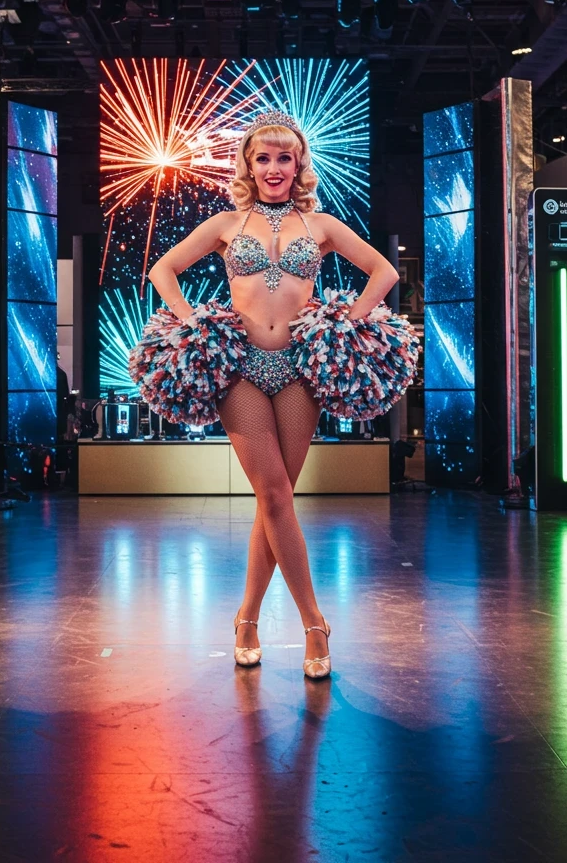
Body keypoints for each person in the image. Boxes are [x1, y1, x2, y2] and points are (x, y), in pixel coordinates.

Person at [135, 111, 413, 679]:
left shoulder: (323, 227)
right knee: (275, 495)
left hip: (299, 371)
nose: (273, 168)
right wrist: (191, 321)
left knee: (276, 500)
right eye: (263, 158)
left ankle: (247, 619)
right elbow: (164, 270)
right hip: (239, 369)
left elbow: (383, 272)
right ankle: (315, 622)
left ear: (298, 164)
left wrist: (348, 323)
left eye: (284, 158)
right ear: (248, 164)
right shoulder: (225, 223)